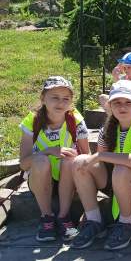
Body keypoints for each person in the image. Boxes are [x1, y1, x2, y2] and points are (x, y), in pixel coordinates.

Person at [71, 80, 131, 250]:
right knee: (79, 162)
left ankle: (127, 223)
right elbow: (101, 164)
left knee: (121, 169)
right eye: (117, 102)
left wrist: (100, 155)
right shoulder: (107, 129)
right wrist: (93, 159)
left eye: (128, 102)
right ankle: (94, 220)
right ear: (110, 106)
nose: (122, 107)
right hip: (114, 181)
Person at [19, 76, 89, 242]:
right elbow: (23, 163)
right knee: (41, 160)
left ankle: (64, 217)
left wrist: (75, 157)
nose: (61, 103)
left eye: (66, 99)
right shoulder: (32, 121)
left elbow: (87, 156)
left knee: (69, 158)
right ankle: (47, 217)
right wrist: (48, 151)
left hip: (67, 177)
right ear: (43, 98)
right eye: (55, 97)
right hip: (40, 178)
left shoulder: (76, 120)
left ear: (71, 101)